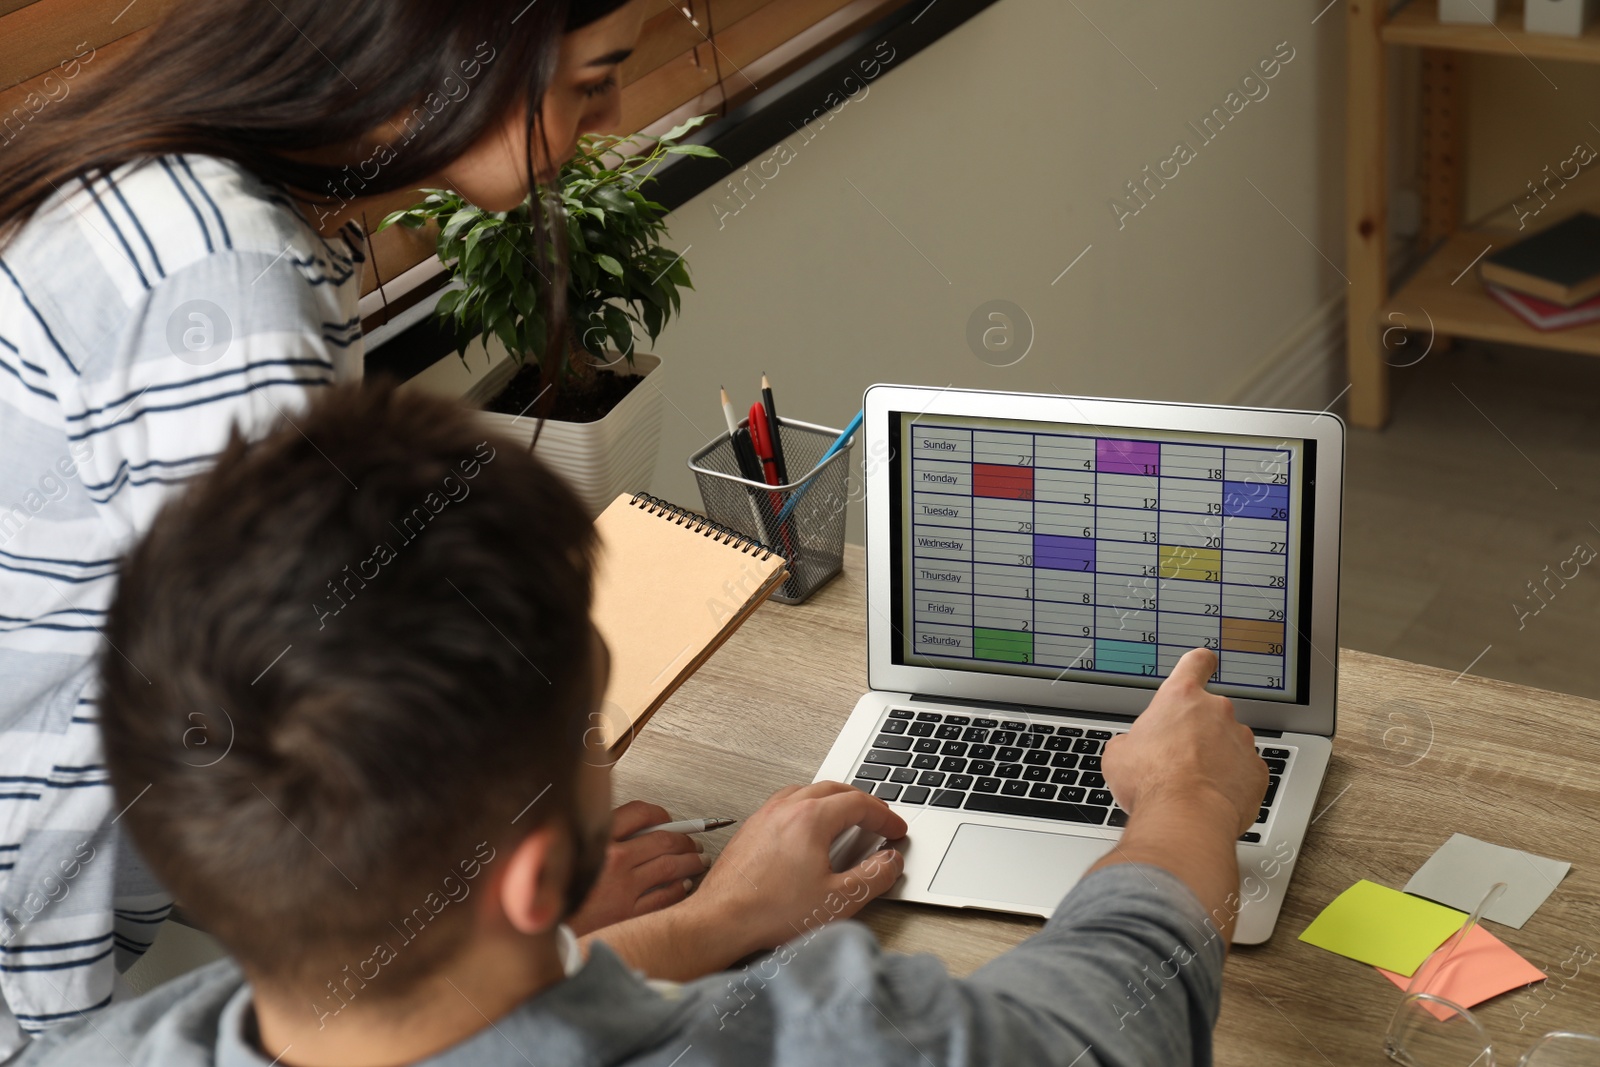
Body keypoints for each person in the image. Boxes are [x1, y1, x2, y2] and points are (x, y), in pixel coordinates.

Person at [16, 381, 1270, 1066]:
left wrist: (710, 920)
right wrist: (1186, 808)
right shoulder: (833, 1032)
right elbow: (1105, 1026)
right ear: (532, 878)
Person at [0, 0, 702, 1052]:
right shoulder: (223, 285)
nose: (605, 119)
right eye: (592, 79)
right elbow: (287, 731)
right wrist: (552, 927)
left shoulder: (200, 206)